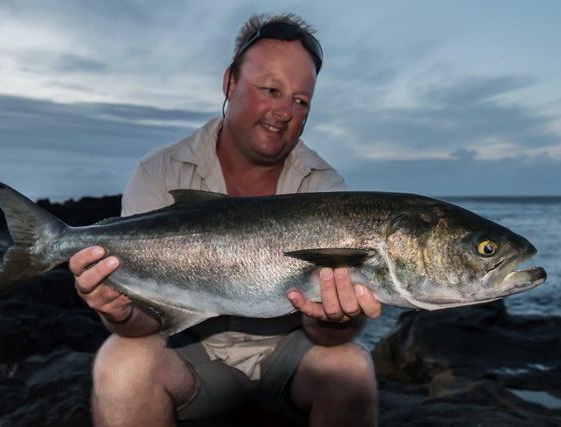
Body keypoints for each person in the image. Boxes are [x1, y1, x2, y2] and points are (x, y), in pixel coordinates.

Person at [69, 13, 382, 426]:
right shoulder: (159, 170)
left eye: (301, 100)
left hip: (287, 359)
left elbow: (327, 335)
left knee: (351, 367)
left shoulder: (324, 186)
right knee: (120, 359)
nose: (285, 111)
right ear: (230, 83)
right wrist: (120, 313)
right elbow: (143, 325)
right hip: (191, 356)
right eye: (270, 90)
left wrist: (337, 321)